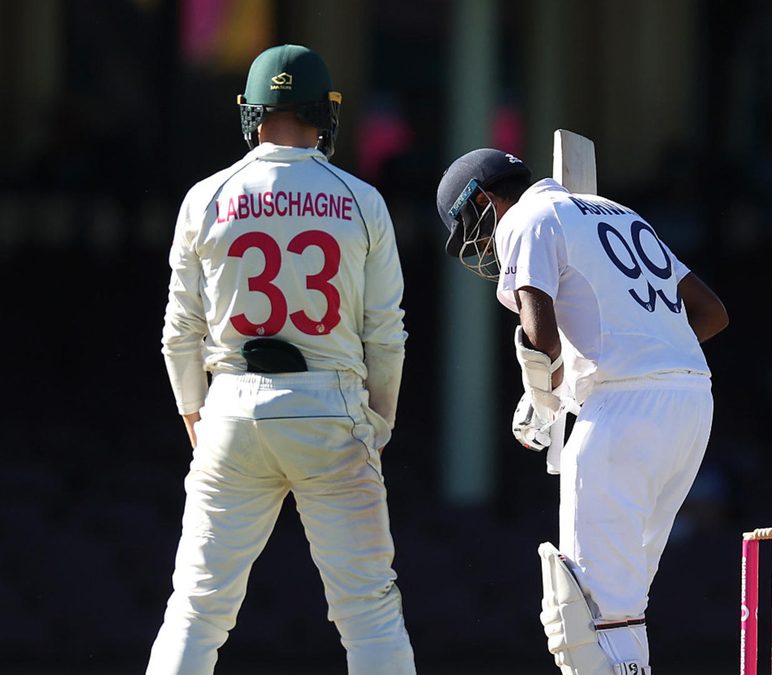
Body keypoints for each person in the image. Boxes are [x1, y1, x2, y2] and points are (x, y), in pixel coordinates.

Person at [148, 44, 417, 674]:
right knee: (369, 610)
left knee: (196, 607)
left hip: (232, 403)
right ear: (324, 112)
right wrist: (379, 419)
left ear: (253, 112)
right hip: (332, 405)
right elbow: (386, 334)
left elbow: (179, 331)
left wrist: (197, 413)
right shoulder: (360, 199)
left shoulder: (206, 197)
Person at [434, 148, 728, 674]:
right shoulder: (616, 210)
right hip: (690, 400)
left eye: (472, 230)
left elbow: (539, 335)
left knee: (581, 604)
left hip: (622, 410)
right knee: (623, 600)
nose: (482, 247)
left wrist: (543, 398)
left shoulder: (525, 217)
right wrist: (638, 357)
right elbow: (711, 314)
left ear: (481, 200)